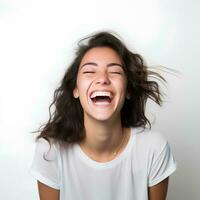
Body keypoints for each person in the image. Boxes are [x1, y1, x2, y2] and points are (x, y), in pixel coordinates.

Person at [30, 31, 177, 200]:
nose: (103, 79)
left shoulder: (154, 149)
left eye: (115, 71)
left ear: (128, 89)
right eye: (89, 71)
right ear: (75, 89)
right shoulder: (50, 150)